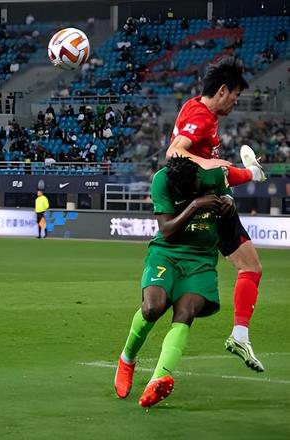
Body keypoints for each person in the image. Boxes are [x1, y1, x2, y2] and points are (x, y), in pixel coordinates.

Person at [165, 56, 265, 372]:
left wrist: (247, 174)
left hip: (210, 199)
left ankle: (239, 335)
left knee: (250, 267)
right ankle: (239, 335)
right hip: (209, 205)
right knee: (250, 267)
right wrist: (213, 165)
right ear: (222, 91)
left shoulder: (195, 107)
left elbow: (215, 170)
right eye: (235, 96)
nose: (235, 102)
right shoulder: (202, 115)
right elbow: (174, 152)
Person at [114, 156, 234, 407]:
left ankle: (158, 380)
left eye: (192, 188)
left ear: (197, 178)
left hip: (200, 259)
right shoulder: (162, 180)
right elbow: (166, 230)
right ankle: (127, 359)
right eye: (183, 192)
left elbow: (228, 196)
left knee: (185, 312)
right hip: (166, 253)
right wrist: (195, 205)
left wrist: (229, 203)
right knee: (152, 308)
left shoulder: (213, 173)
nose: (188, 193)